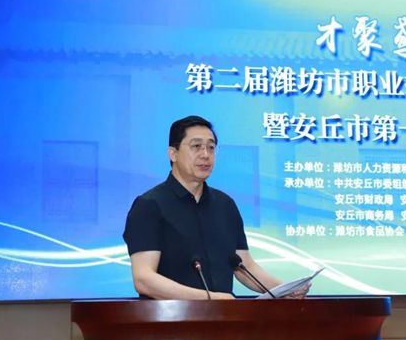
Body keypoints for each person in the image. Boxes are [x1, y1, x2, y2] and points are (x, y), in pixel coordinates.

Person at [123, 115, 309, 300]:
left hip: (224, 317)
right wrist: (210, 299)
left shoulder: (225, 205)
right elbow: (144, 279)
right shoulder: (149, 205)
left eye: (211, 147)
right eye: (196, 146)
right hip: (171, 317)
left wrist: (286, 290)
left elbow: (245, 267)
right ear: (173, 153)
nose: (205, 154)